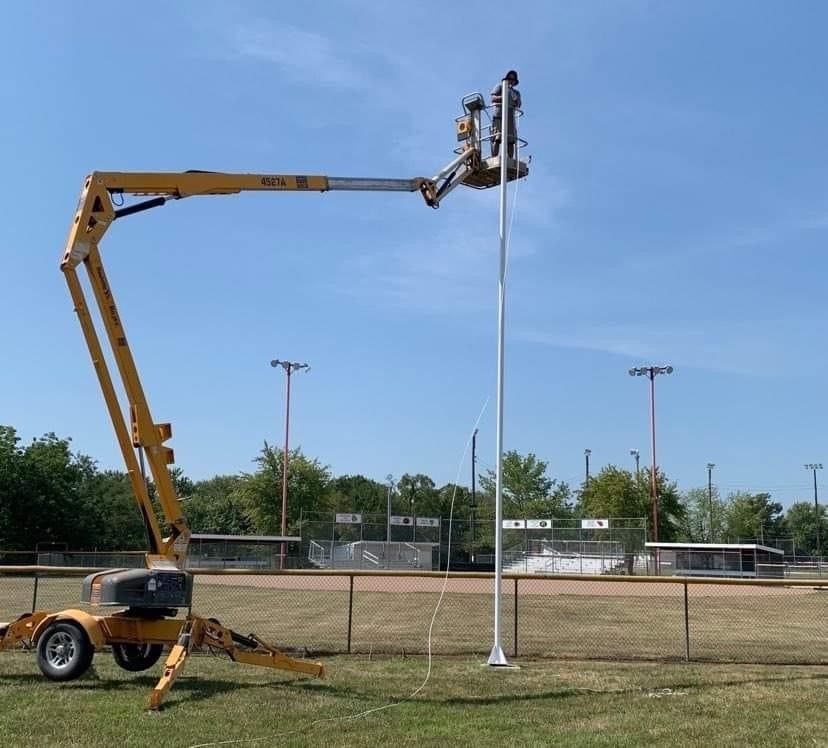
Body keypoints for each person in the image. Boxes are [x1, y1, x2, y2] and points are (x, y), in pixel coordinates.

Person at [490, 70, 521, 158]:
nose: (511, 81)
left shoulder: (516, 93)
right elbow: (493, 98)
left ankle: (510, 158)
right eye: (510, 78)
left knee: (510, 139)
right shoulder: (500, 86)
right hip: (499, 115)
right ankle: (494, 157)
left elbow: (519, 104)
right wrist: (504, 98)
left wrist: (516, 101)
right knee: (497, 136)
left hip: (510, 116)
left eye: (513, 79)